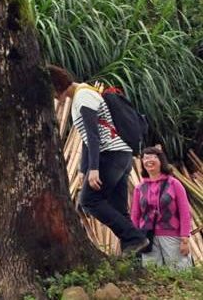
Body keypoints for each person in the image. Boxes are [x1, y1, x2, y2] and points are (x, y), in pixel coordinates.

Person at [48, 65, 150, 254]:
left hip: (110, 155)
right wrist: (83, 168)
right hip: (122, 155)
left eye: (53, 91)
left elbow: (94, 136)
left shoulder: (83, 97)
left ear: (58, 86)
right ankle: (134, 256)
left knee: (88, 201)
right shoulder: (82, 96)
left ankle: (135, 237)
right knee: (119, 209)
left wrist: (94, 169)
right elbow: (88, 140)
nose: (54, 97)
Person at [131, 145, 193, 270]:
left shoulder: (174, 184)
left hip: (172, 236)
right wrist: (135, 237)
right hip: (147, 237)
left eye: (153, 157)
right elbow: (135, 215)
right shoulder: (139, 188)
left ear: (161, 161)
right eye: (145, 158)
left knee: (181, 272)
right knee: (152, 275)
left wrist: (185, 238)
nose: (149, 160)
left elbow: (185, 212)